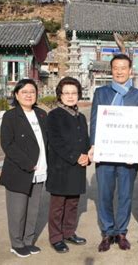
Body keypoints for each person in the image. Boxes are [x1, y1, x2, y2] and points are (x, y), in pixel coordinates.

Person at [88, 54, 138, 252]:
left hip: (128, 154)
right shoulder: (101, 92)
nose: (120, 71)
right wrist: (94, 145)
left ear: (130, 71)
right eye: (116, 68)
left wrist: (137, 149)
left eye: (124, 68)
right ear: (111, 70)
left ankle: (121, 232)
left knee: (125, 194)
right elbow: (95, 120)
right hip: (105, 151)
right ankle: (107, 232)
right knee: (104, 193)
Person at [0, 79, 48, 258]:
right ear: (17, 95)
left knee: (33, 209)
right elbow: (7, 144)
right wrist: (27, 163)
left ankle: (28, 240)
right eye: (24, 92)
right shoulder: (10, 117)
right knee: (17, 210)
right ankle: (17, 243)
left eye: (32, 92)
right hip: (19, 171)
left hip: (40, 170)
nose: (29, 95)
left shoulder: (42, 114)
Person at [46, 77, 90, 253]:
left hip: (78, 167)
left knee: (73, 203)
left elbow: (85, 139)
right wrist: (76, 157)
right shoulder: (54, 115)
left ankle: (69, 232)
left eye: (74, 93)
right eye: (67, 93)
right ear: (60, 95)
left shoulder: (79, 116)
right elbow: (56, 142)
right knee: (58, 205)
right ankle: (56, 238)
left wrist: (88, 155)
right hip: (61, 167)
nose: (71, 96)